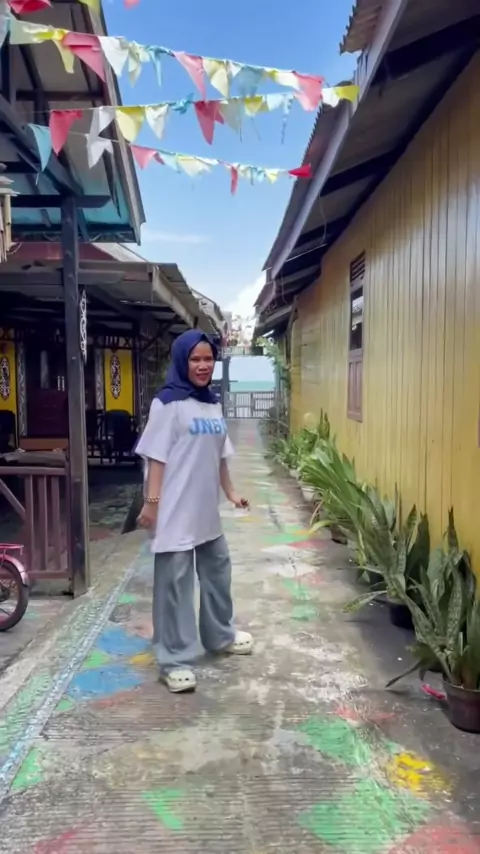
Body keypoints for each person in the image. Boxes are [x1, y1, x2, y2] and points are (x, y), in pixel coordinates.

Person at [135, 329, 253, 693]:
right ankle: (173, 659)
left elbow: (220, 455)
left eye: (208, 359)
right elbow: (156, 457)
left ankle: (221, 636)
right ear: (182, 361)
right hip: (174, 511)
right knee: (175, 586)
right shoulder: (167, 403)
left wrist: (231, 493)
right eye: (195, 359)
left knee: (218, 572)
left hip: (206, 511)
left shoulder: (212, 403)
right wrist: (152, 504)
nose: (203, 365)